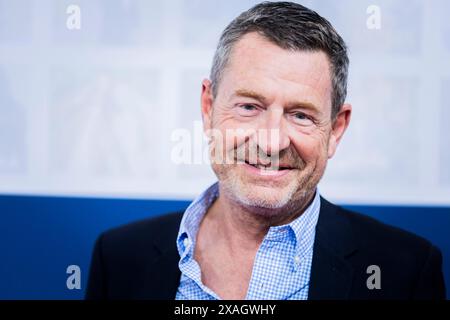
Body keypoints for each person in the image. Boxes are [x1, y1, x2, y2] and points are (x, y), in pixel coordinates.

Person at [86, 1, 446, 300]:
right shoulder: (119, 258)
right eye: (249, 107)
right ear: (208, 107)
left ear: (336, 128)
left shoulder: (406, 273)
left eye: (300, 114)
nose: (271, 142)